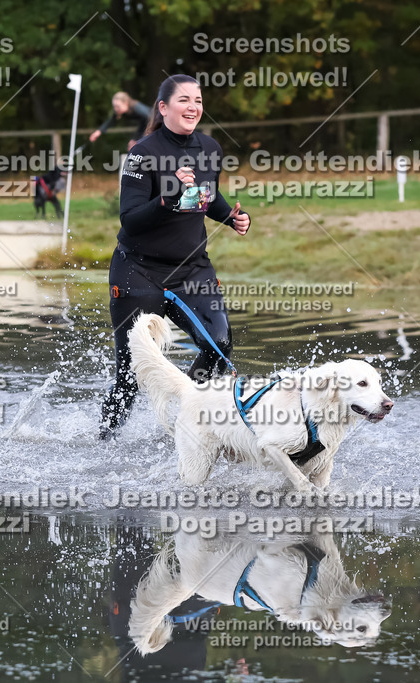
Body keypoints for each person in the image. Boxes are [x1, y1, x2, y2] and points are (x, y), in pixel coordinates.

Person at [98, 74, 249, 438]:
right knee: (132, 373)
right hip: (138, 272)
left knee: (219, 346)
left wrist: (230, 216)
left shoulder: (210, 148)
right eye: (184, 100)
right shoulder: (142, 154)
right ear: (163, 108)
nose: (193, 107)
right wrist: (168, 199)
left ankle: (186, 416)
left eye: (197, 100)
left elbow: (206, 195)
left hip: (192, 271)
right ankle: (104, 442)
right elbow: (130, 221)